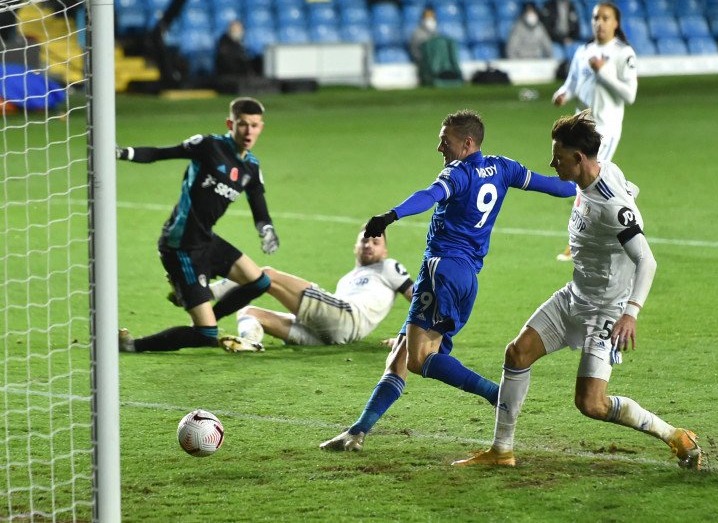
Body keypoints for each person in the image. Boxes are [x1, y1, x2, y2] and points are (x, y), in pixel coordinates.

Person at [452, 111, 702, 470]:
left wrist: (630, 313)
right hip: (574, 295)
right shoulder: (604, 172)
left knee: (591, 404)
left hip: (607, 311)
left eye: (558, 157)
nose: (552, 163)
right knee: (516, 353)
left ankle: (675, 436)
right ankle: (501, 450)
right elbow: (631, 190)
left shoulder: (612, 208)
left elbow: (647, 260)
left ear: (579, 159)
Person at [319, 110, 577, 452]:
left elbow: (429, 195)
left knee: (418, 358)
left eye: (446, 140)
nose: (440, 147)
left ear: (467, 143)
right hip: (466, 275)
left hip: (441, 271)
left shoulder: (458, 173)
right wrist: (592, 183)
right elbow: (558, 187)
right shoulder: (504, 167)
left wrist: (390, 215)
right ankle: (357, 432)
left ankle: (497, 395)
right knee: (400, 356)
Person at [117, 97, 280, 353]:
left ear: (261, 127)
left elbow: (259, 207)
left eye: (255, 125)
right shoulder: (208, 145)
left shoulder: (251, 166)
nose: (249, 131)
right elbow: (161, 153)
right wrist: (123, 153)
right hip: (180, 245)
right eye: (243, 124)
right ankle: (132, 345)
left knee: (260, 282)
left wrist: (266, 230)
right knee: (205, 335)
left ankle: (200, 306)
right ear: (231, 123)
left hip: (206, 239)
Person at [212, 227, 413, 350]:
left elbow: (416, 298)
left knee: (268, 275)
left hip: (349, 316)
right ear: (355, 247)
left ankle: (209, 292)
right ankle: (249, 343)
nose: (369, 244)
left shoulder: (389, 266)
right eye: (364, 240)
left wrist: (407, 339)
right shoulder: (346, 279)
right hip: (330, 335)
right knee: (248, 312)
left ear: (384, 251)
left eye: (375, 242)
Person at [552, 0, 637, 261]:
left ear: (616, 23)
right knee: (593, 182)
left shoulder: (624, 53)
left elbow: (630, 94)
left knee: (588, 182)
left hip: (606, 129)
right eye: (596, 18)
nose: (599, 23)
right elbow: (572, 84)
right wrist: (563, 94)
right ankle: (627, 201)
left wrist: (604, 73)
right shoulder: (583, 52)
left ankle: (580, 240)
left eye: (605, 18)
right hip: (581, 127)